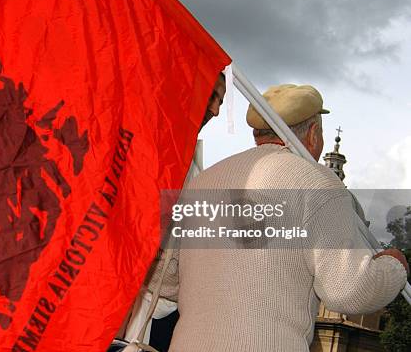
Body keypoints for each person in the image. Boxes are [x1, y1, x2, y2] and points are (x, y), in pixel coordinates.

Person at [165, 84, 409, 351]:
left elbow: (164, 280)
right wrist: (393, 267)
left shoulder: (204, 181)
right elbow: (348, 292)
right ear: (314, 133)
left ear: (258, 133)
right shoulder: (317, 182)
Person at [110, 72, 227, 352]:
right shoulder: (148, 141)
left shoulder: (197, 169)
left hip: (158, 309)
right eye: (212, 96)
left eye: (221, 102)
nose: (216, 110)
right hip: (115, 293)